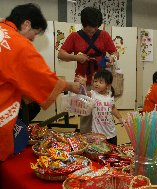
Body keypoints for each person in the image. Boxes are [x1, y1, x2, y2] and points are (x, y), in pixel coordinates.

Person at [0, 3, 81, 161]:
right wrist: (70, 85)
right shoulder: (18, 43)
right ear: (26, 24)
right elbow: (44, 79)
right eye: (34, 33)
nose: (33, 39)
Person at [58, 7, 118, 133]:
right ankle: (85, 140)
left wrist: (113, 57)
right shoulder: (74, 36)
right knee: (85, 114)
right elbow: (61, 54)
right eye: (91, 28)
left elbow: (115, 52)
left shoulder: (104, 35)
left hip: (102, 81)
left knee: (103, 111)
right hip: (83, 81)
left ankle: (103, 137)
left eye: (96, 27)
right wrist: (76, 57)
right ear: (84, 24)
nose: (95, 30)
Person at [77, 70, 123, 146]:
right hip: (97, 133)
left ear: (108, 85)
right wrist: (83, 84)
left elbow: (113, 108)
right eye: (95, 81)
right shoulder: (93, 94)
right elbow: (84, 94)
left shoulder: (110, 95)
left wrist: (120, 118)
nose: (97, 84)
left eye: (100, 82)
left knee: (113, 151)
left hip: (111, 132)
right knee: (98, 151)